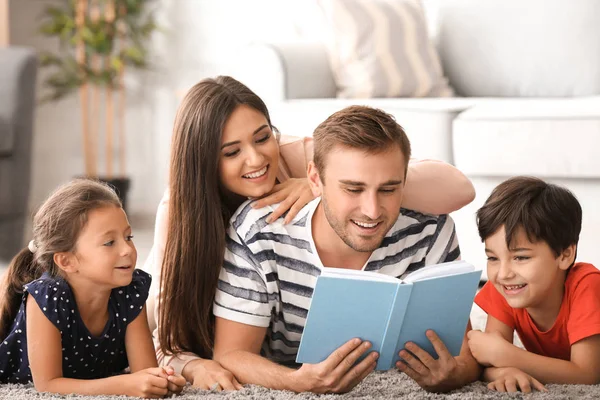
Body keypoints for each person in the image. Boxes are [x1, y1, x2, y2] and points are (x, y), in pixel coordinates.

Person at [148, 77, 477, 389]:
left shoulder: (298, 154)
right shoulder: (182, 212)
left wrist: (327, 189)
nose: (256, 158)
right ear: (203, 160)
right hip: (187, 309)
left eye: (263, 138)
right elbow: (168, 336)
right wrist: (195, 365)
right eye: (232, 152)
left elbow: (457, 188)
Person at [0, 179, 186, 398]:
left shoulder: (130, 291)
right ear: (67, 261)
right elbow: (48, 385)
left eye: (128, 237)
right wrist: (125, 385)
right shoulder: (47, 297)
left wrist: (162, 380)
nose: (127, 249)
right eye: (109, 242)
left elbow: (144, 371)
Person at [467, 176, 600, 393]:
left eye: (520, 257)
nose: (503, 273)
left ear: (565, 255)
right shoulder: (504, 288)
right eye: (493, 258)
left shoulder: (587, 284)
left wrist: (510, 357)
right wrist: (504, 371)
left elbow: (588, 374)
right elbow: (490, 359)